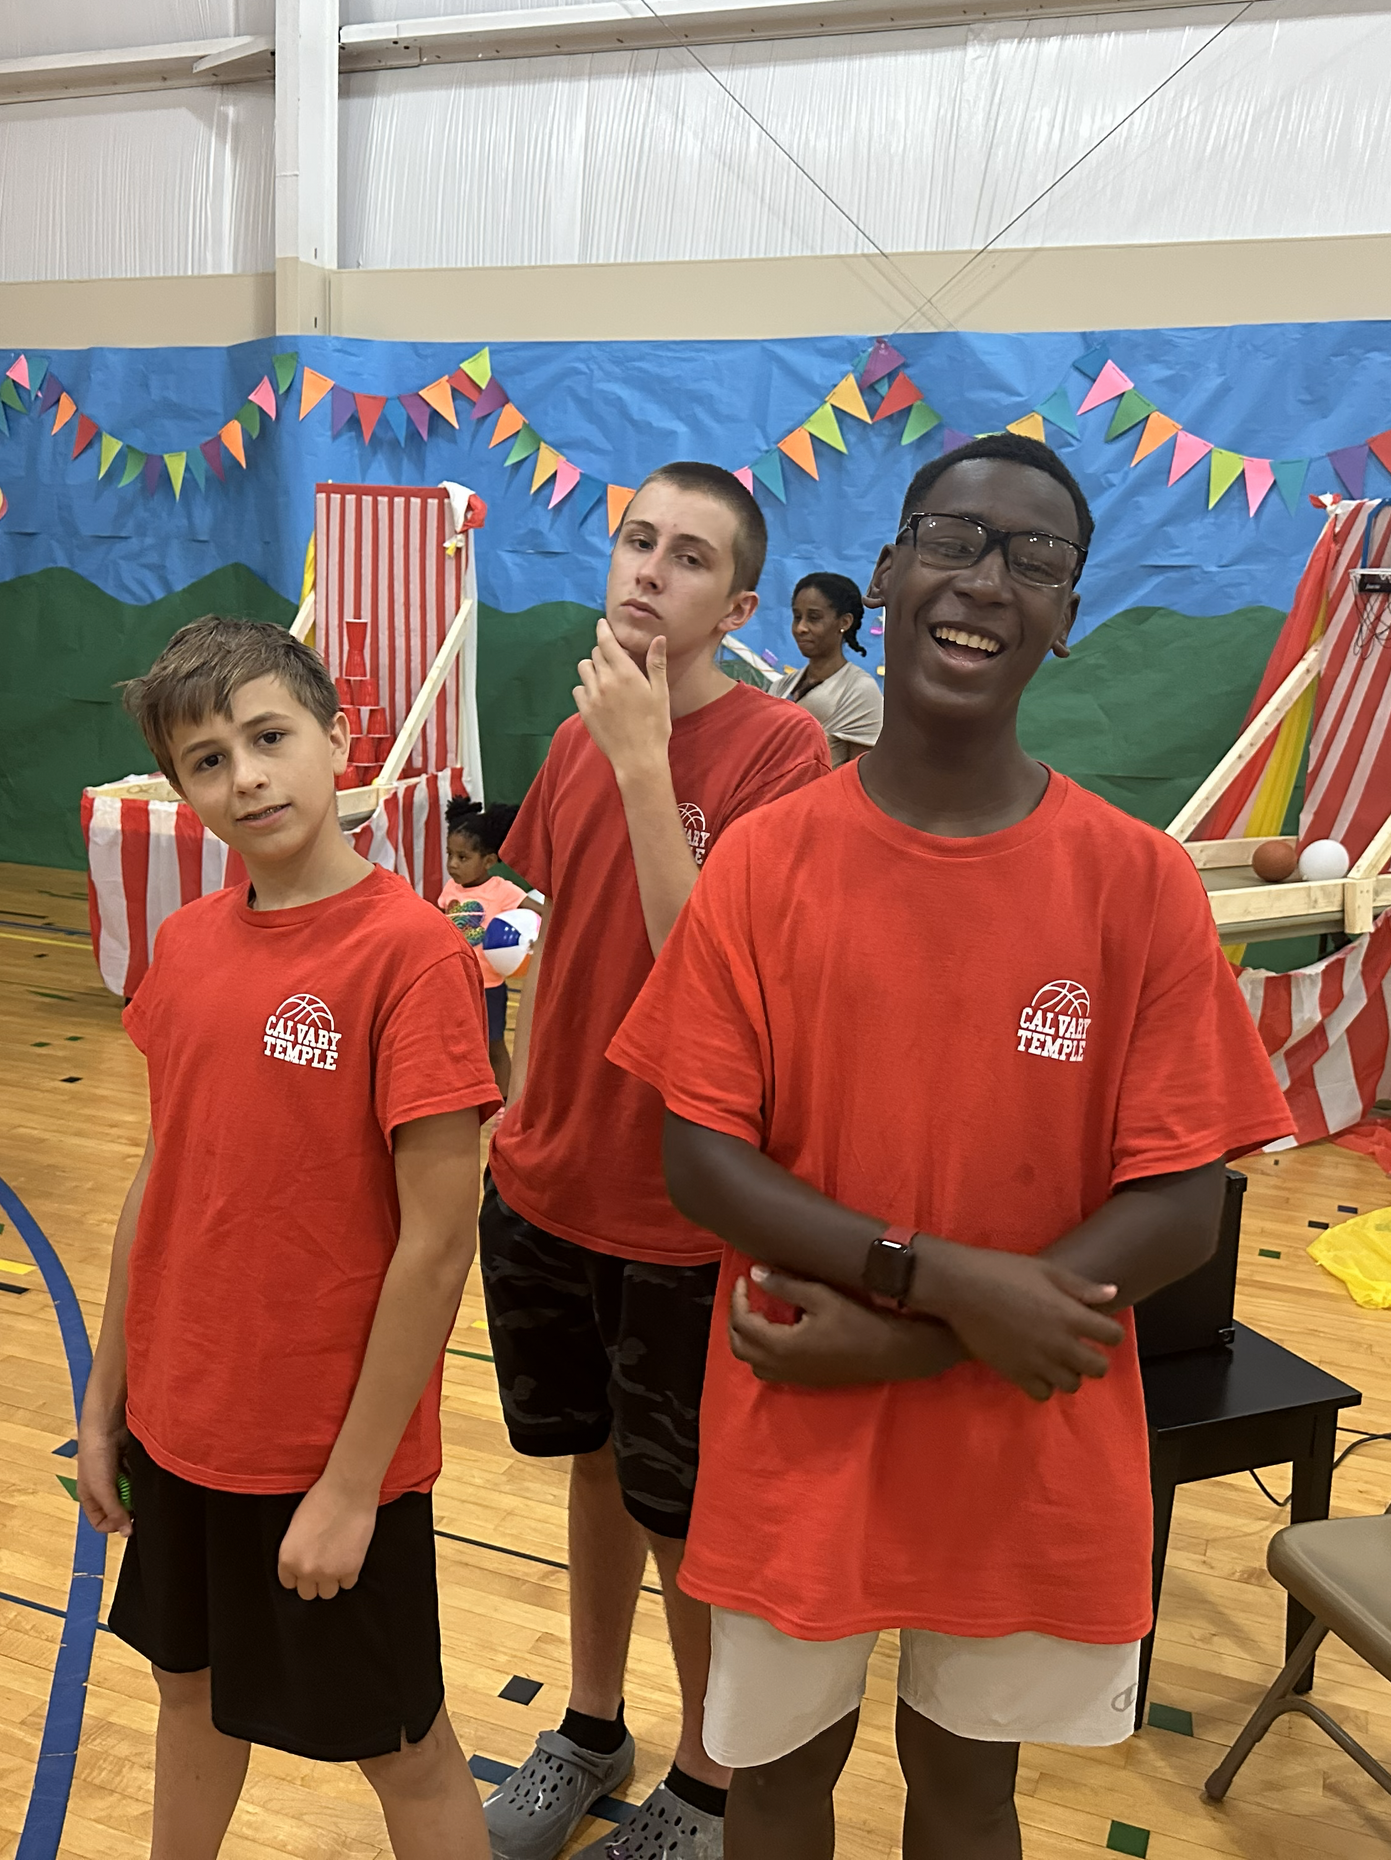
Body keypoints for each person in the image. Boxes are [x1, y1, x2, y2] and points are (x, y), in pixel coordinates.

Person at [606, 435, 1297, 1860]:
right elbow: (701, 1157)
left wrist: (914, 1333)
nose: (987, 579)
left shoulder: (1136, 881)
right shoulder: (768, 861)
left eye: (1037, 558)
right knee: (779, 1781)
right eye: (955, 538)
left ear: (1070, 614)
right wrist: (948, 1285)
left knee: (971, 1789)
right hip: (803, 1418)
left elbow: (1180, 1197)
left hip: (1019, 1429)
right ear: (888, 572)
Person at [75, 618, 500, 1860]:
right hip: (182, 1424)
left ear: (335, 740)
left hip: (323, 1452)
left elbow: (437, 1245)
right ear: (178, 786)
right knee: (189, 1692)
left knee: (401, 1747)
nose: (245, 777)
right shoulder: (191, 943)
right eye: (207, 760)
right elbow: (161, 1181)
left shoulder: (412, 957)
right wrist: (109, 1398)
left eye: (267, 739)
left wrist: (353, 1486)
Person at [480, 464, 831, 1860]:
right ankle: (589, 1719)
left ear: (737, 604)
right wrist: (518, 1112)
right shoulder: (579, 739)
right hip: (549, 1172)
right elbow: (560, 933)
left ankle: (708, 1771)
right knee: (590, 1467)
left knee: (683, 1506)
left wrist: (643, 757)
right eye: (636, 540)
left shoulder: (778, 755)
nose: (647, 572)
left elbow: (719, 981)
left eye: (688, 558)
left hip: (681, 1205)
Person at [441, 796, 526, 1091]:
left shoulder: (503, 891)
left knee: (494, 1045)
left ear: (489, 861)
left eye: (462, 858)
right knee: (460, 1042)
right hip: (455, 983)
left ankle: (506, 1100)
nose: (452, 864)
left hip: (489, 987)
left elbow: (542, 914)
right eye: (449, 854)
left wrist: (531, 941)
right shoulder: (450, 889)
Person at [769, 573, 880, 767]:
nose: (801, 628)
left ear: (845, 622)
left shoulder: (860, 691)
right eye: (797, 617)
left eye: (814, 618)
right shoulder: (781, 686)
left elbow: (861, 779)